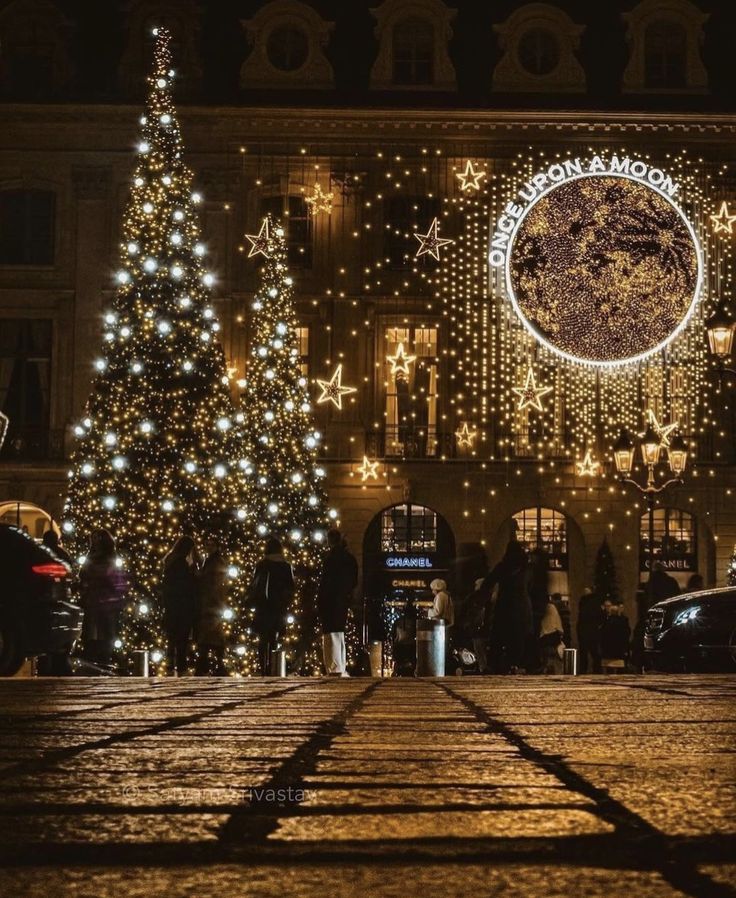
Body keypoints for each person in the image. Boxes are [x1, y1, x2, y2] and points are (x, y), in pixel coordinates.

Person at [79, 528, 128, 668]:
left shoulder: (108, 557)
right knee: (95, 632)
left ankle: (102, 658)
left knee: (104, 632)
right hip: (96, 600)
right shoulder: (94, 556)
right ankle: (96, 658)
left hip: (105, 600)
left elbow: (113, 577)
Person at [482, 538, 531, 673]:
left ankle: (495, 666)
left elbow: (488, 582)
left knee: (497, 638)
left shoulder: (503, 566)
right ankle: (515, 664)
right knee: (518, 639)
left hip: (504, 605)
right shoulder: (526, 568)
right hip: (521, 607)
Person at [248, 537, 295, 676]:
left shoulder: (262, 564)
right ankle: (273, 667)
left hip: (263, 606)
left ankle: (263, 667)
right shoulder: (285, 566)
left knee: (263, 639)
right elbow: (291, 587)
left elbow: (255, 585)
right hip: (278, 607)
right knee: (274, 637)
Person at [317, 529, 358, 677]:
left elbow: (325, 582)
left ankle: (334, 667)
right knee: (339, 633)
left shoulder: (330, 558)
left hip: (330, 599)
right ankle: (340, 665)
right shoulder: (349, 558)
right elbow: (354, 580)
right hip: (342, 599)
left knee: (330, 633)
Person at [161, 535, 199, 676]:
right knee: (182, 639)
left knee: (173, 637)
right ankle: (181, 667)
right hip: (183, 606)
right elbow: (187, 586)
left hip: (172, 606)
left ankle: (170, 665)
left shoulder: (170, 561)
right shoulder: (181, 564)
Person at [195, 537, 228, 676]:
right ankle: (216, 665)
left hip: (212, 604)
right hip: (212, 604)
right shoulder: (211, 561)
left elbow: (214, 584)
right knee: (213, 636)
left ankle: (209, 665)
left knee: (211, 636)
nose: (208, 547)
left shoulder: (215, 562)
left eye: (211, 544)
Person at [577, 587, 603, 674]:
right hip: (592, 631)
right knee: (594, 652)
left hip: (585, 631)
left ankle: (583, 670)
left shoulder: (583, 603)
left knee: (585, 653)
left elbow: (581, 617)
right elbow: (600, 617)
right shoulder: (595, 602)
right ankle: (596, 670)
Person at [600, 601, 631, 673]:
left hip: (607, 651)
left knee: (608, 670)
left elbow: (602, 636)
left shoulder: (606, 623)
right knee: (619, 671)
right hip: (619, 651)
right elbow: (626, 636)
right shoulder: (622, 623)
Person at [538, 599, 564, 674]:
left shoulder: (544, 608)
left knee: (546, 659)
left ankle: (546, 671)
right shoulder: (553, 608)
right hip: (554, 637)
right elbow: (559, 626)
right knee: (554, 660)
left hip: (545, 637)